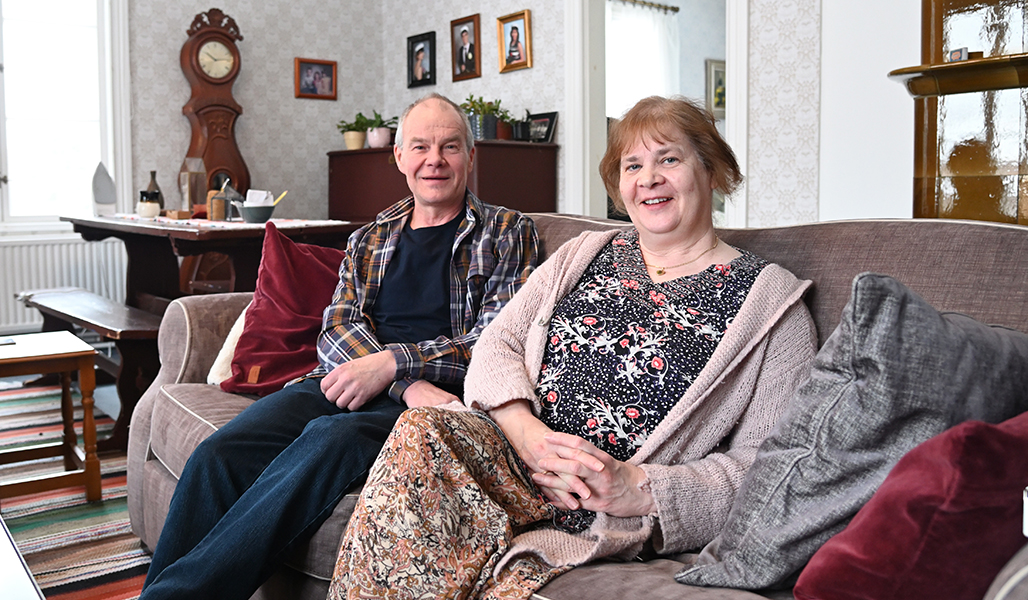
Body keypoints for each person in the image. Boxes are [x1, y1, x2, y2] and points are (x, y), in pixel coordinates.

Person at [329, 95, 817, 599]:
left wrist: (637, 487)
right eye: (633, 164)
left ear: (711, 172)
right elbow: (498, 344)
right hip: (511, 464)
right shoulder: (585, 252)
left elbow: (775, 468)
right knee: (422, 428)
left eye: (668, 159)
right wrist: (524, 432)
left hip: (601, 512)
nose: (648, 177)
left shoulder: (772, 305)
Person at [139, 93, 540, 600]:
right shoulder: (369, 237)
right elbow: (335, 330)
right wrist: (401, 383)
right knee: (218, 455)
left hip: (437, 407)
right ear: (399, 157)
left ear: (470, 156)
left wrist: (394, 365)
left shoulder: (507, 232)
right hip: (359, 384)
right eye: (420, 146)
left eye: (449, 146)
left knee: (329, 440)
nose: (434, 160)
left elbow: (492, 342)